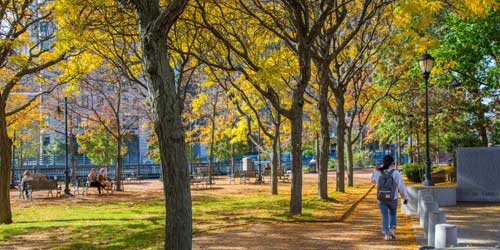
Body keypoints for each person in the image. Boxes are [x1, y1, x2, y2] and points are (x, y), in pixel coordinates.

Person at [371, 155, 408, 241]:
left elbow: (372, 181)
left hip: (381, 198)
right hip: (393, 198)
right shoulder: (395, 173)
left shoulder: (378, 172)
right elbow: (401, 186)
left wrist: (374, 171)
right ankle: (392, 230)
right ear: (392, 163)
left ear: (383, 162)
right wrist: (404, 197)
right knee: (392, 213)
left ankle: (386, 234)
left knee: (384, 215)